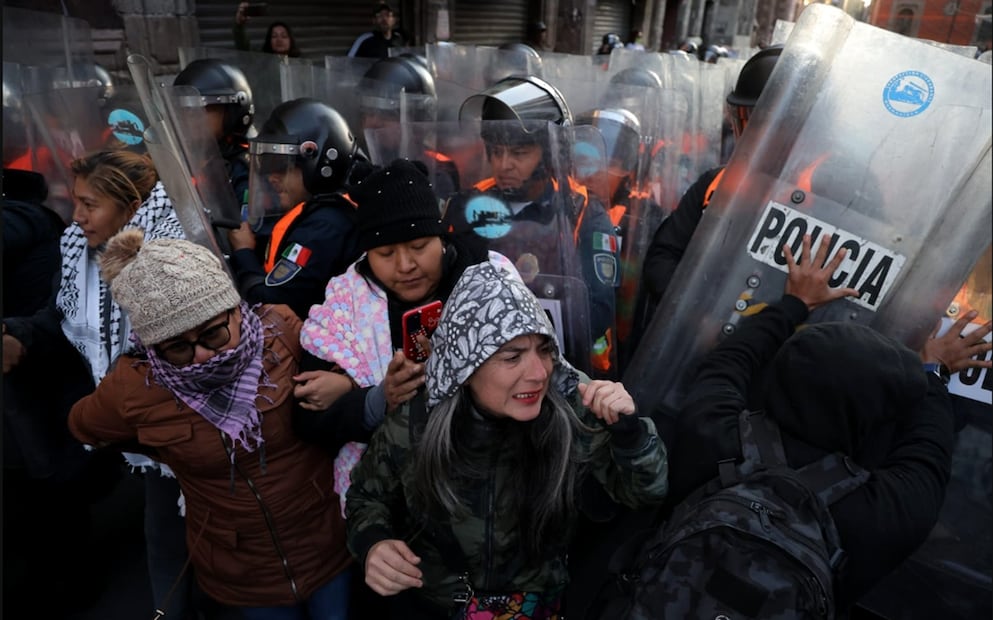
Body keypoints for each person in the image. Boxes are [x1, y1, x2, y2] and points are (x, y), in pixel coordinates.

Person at [666, 233, 993, 610]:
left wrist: (794, 303)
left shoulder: (712, 433)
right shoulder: (878, 516)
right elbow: (928, 454)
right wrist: (935, 372)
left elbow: (728, 363)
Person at [344, 260, 669, 619]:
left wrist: (630, 433)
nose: (538, 373)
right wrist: (373, 543)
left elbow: (645, 493)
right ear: (464, 367)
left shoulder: (575, 409)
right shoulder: (415, 425)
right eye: (512, 357)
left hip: (542, 605)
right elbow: (366, 497)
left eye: (544, 350)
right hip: (435, 606)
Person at [68, 231, 353, 619]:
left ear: (236, 310)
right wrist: (166, 449)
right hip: (241, 568)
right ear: (153, 348)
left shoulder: (283, 333)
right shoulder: (136, 387)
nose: (202, 356)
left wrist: (347, 385)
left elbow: (348, 379)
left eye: (213, 333)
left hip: (324, 541)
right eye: (178, 348)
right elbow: (86, 427)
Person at [294, 158, 518, 616]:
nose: (406, 265)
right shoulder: (346, 304)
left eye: (419, 245)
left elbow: (536, 371)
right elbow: (306, 419)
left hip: (495, 506)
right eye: (385, 253)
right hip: (392, 524)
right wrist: (376, 400)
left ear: (442, 236)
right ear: (365, 254)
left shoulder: (490, 279)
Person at [1, 149, 191, 618]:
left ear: (129, 207)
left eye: (91, 205)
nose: (77, 216)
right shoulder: (79, 252)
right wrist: (19, 335)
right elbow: (60, 318)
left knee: (191, 544)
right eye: (77, 202)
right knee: (164, 540)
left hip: (185, 428)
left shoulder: (168, 258)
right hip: (142, 436)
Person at [443, 76, 620, 378]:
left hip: (560, 365)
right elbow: (444, 283)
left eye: (519, 153)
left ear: (550, 153)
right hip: (477, 364)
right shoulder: (469, 204)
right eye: (496, 152)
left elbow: (597, 309)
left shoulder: (582, 211)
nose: (504, 164)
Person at [639, 45, 782, 324]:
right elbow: (662, 257)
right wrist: (697, 314)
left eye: (772, 123)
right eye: (751, 120)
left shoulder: (831, 196)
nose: (759, 133)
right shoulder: (715, 184)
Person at [228, 98, 366, 319]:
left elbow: (270, 303)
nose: (272, 177)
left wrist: (243, 252)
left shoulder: (326, 225)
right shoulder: (318, 212)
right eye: (269, 165)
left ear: (321, 165)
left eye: (283, 166)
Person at [173, 58, 255, 215]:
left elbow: (244, 234)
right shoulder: (182, 157)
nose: (189, 116)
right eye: (184, 109)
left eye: (201, 108)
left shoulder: (245, 170)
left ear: (233, 112)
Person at [233, 2, 302, 58]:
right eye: (274, 36)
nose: (279, 40)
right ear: (269, 40)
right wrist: (240, 25)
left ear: (291, 40)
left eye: (284, 36)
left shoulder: (301, 64)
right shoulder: (261, 62)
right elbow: (244, 51)